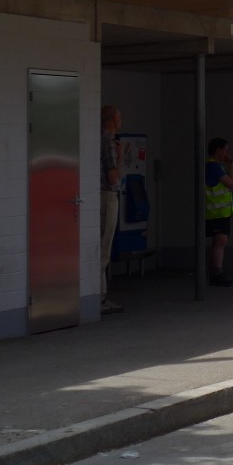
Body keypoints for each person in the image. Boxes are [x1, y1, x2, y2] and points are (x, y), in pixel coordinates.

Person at [100, 104, 123, 315]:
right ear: (112, 120)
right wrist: (121, 155)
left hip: (102, 196)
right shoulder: (108, 143)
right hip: (108, 196)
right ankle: (100, 297)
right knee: (104, 248)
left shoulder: (100, 140)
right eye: (119, 117)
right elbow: (113, 177)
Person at [205, 137, 233, 286]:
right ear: (218, 150)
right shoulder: (214, 167)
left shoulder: (212, 167)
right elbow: (232, 183)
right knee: (220, 241)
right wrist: (231, 167)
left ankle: (215, 271)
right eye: (225, 150)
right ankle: (217, 272)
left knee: (218, 242)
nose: (226, 153)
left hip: (217, 212)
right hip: (217, 212)